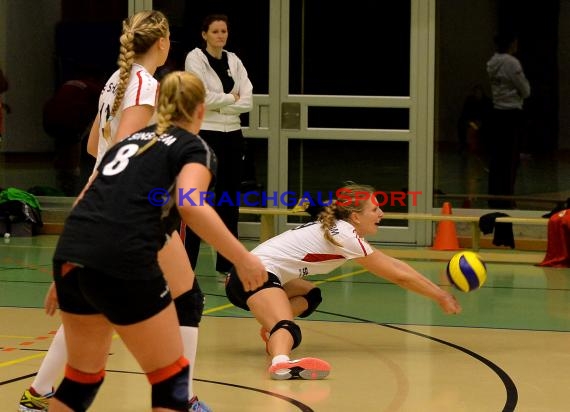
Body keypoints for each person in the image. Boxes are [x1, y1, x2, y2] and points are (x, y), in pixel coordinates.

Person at [19, 11, 210, 412]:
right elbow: (118, 156)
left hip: (103, 208)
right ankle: (185, 398)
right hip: (126, 210)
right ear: (162, 43)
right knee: (187, 298)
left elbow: (94, 148)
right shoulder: (145, 85)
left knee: (90, 312)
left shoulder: (117, 79)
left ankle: (38, 393)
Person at [46, 70, 267, 411]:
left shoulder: (131, 141)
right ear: (200, 111)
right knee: (171, 378)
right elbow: (192, 205)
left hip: (73, 254)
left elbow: (85, 197)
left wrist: (65, 271)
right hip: (123, 259)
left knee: (80, 378)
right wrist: (243, 257)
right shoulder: (192, 146)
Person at [225, 183, 462, 380]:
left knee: (311, 295)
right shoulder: (345, 236)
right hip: (253, 275)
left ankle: (273, 332)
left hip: (252, 275)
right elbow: (397, 272)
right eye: (375, 209)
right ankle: (281, 363)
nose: (381, 214)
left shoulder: (338, 227)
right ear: (356, 216)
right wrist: (440, 295)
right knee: (288, 328)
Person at [183, 14, 253, 274]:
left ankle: (227, 263)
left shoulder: (234, 60)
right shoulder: (195, 58)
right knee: (196, 198)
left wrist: (222, 103)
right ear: (204, 34)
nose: (220, 35)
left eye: (224, 31)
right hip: (206, 134)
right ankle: (187, 260)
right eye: (215, 31)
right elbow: (200, 97)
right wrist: (230, 100)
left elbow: (248, 100)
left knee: (229, 198)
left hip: (233, 135)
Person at [42, 65, 103, 196]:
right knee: (71, 150)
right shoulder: (96, 88)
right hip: (69, 121)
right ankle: (69, 185)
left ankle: (64, 175)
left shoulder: (71, 84)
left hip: (50, 119)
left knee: (66, 147)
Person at [486, 32, 530, 209]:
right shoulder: (511, 62)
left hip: (497, 113)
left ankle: (494, 197)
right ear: (511, 43)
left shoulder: (492, 62)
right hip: (511, 114)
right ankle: (506, 198)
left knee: (497, 158)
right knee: (510, 159)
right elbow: (525, 89)